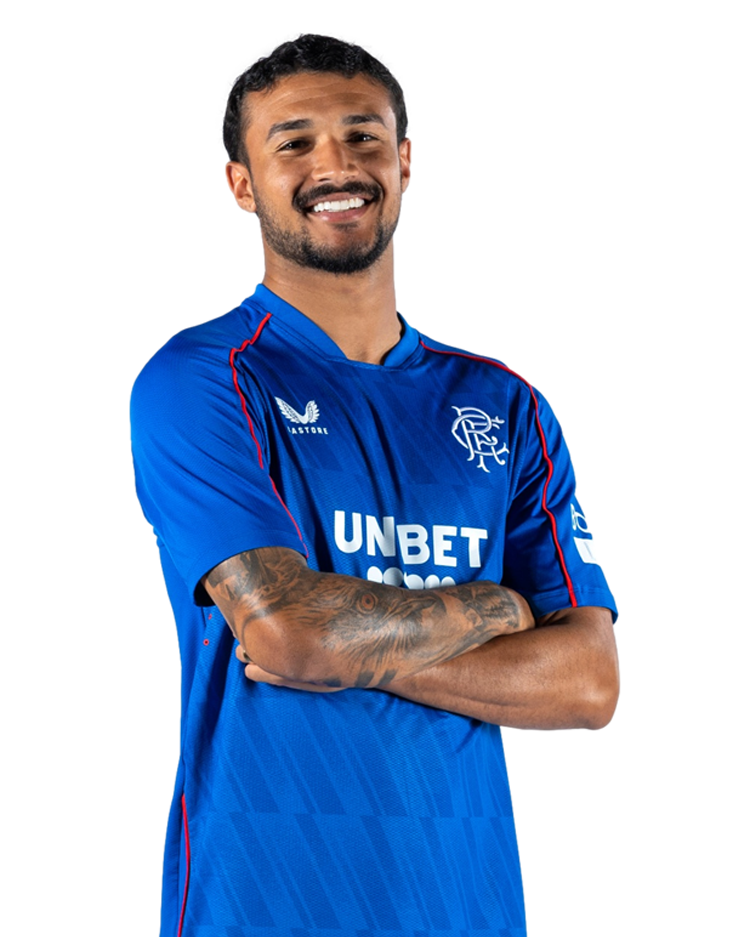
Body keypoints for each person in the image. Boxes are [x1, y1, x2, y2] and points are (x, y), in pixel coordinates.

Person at [131, 34, 619, 937]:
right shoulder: (203, 379)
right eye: (293, 142)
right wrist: (497, 608)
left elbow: (591, 680)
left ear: (404, 162)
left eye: (363, 136)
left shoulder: (502, 405)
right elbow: (287, 634)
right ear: (242, 183)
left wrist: (339, 643)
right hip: (264, 907)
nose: (336, 165)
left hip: (468, 908)